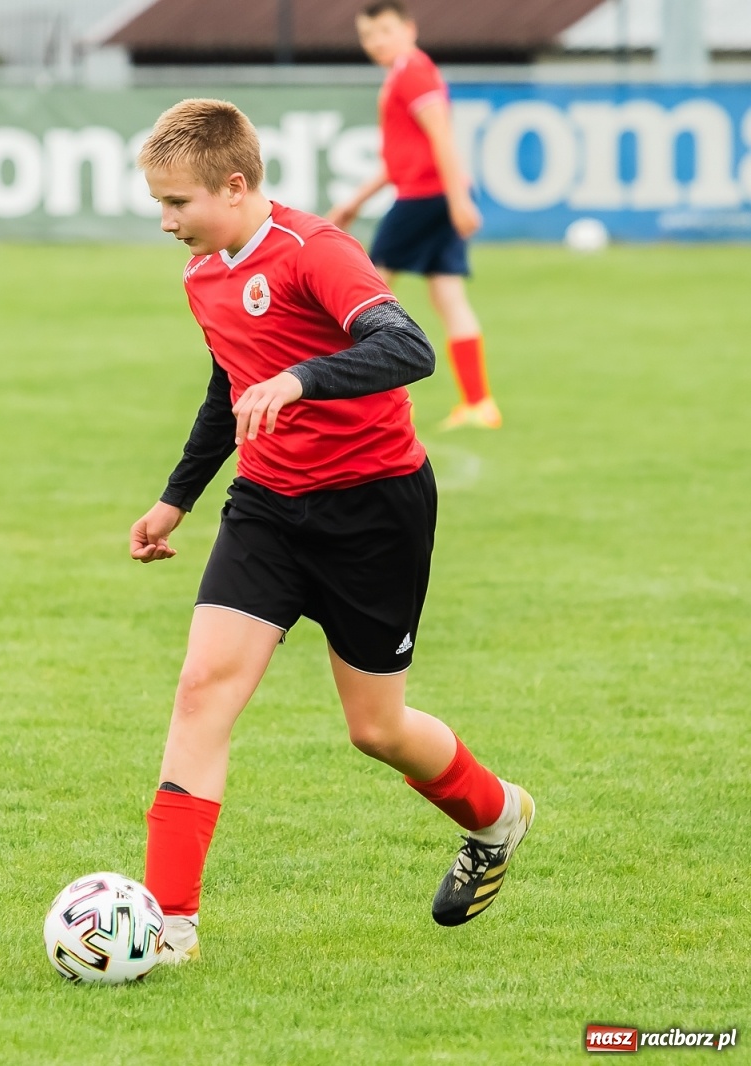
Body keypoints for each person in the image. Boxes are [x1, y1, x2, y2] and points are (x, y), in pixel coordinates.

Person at [128, 99, 534, 963]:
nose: (166, 221)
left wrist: (302, 379)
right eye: (159, 203)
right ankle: (170, 925)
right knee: (201, 692)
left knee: (377, 730)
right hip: (268, 509)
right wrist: (177, 499)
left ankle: (498, 816)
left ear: (233, 185)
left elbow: (409, 347)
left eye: (177, 203)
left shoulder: (317, 252)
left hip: (373, 512)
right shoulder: (203, 276)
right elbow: (229, 386)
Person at [326, 0, 499, 430]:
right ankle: (479, 404)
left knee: (366, 293)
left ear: (409, 29)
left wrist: (458, 199)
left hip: (425, 197)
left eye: (385, 30)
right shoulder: (405, 73)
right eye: (367, 35)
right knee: (447, 294)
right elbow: (399, 160)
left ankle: (376, 403)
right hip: (434, 195)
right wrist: (354, 202)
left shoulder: (412, 72)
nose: (375, 41)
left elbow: (442, 135)